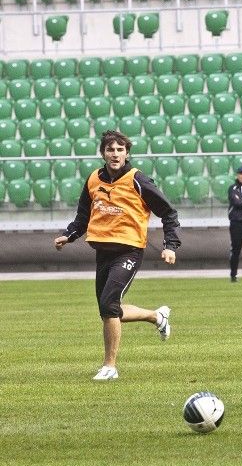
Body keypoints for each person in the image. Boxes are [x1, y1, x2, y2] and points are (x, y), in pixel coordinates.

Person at [53, 130, 181, 380]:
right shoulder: (93, 179)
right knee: (107, 309)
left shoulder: (138, 180)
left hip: (129, 251)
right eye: (110, 149)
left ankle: (110, 367)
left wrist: (170, 245)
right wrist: (69, 235)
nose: (115, 154)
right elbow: (84, 215)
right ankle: (157, 316)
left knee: (109, 306)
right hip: (102, 252)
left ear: (127, 153)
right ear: (103, 153)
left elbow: (168, 212)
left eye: (120, 150)